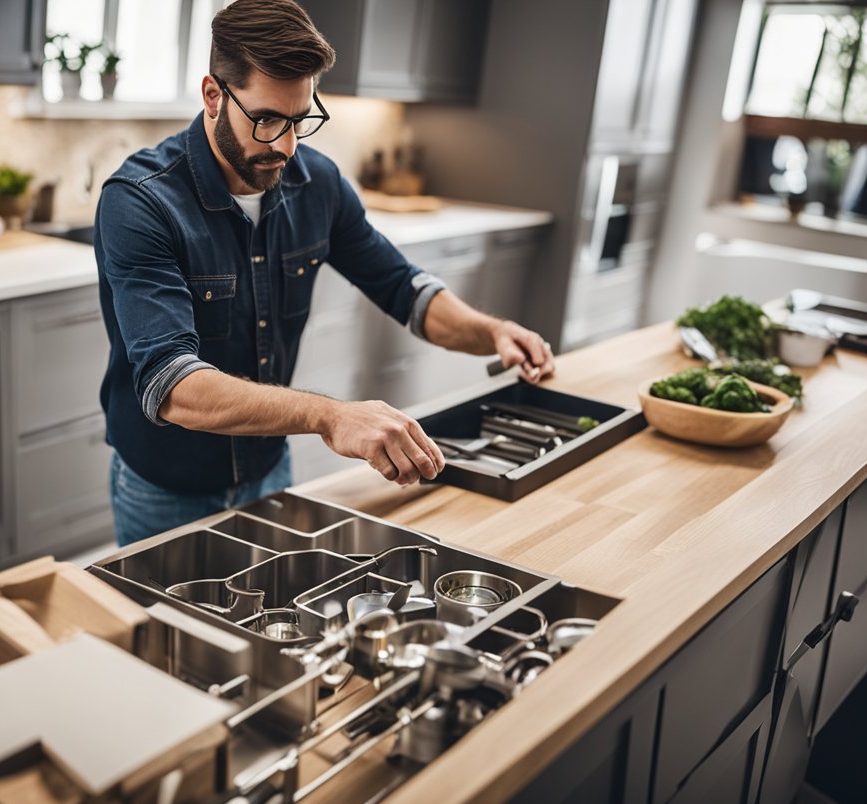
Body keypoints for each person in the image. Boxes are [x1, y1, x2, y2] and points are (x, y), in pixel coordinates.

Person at [95, 0, 553, 546]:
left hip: (269, 471)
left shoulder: (318, 182)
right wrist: (329, 416)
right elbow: (172, 386)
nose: (286, 146)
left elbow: (402, 287)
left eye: (301, 119)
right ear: (214, 96)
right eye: (266, 120)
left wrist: (491, 332)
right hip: (164, 488)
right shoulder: (141, 202)